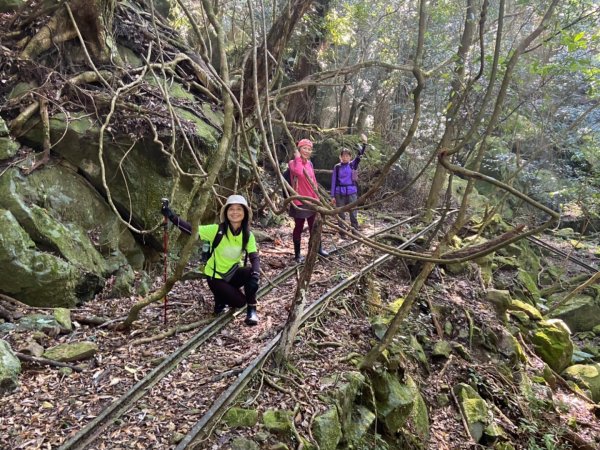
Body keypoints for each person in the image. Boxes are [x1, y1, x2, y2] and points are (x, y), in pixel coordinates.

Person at [161, 194, 260, 326]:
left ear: (245, 213)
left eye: (239, 209)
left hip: (232, 273)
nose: (235, 212)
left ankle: (251, 310)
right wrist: (171, 215)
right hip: (216, 276)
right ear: (226, 212)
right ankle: (221, 296)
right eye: (231, 209)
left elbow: (254, 257)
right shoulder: (216, 230)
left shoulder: (248, 234)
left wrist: (255, 275)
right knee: (240, 302)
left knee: (250, 273)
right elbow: (191, 230)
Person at [288, 138, 329, 263]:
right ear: (299, 149)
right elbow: (299, 173)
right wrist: (298, 158)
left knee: (314, 227)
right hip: (299, 201)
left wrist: (317, 199)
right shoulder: (293, 163)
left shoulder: (310, 164)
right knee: (299, 227)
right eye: (304, 148)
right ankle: (297, 254)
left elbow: (314, 182)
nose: (307, 151)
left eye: (309, 149)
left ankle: (318, 249)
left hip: (312, 201)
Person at [331, 134, 368, 236]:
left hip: (352, 192)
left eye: (347, 155)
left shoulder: (352, 164)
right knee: (341, 214)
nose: (345, 157)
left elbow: (360, 155)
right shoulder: (337, 167)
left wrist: (364, 144)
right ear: (340, 157)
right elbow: (334, 181)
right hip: (339, 193)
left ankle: (355, 232)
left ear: (350, 157)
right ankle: (342, 233)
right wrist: (332, 196)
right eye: (343, 155)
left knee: (353, 213)